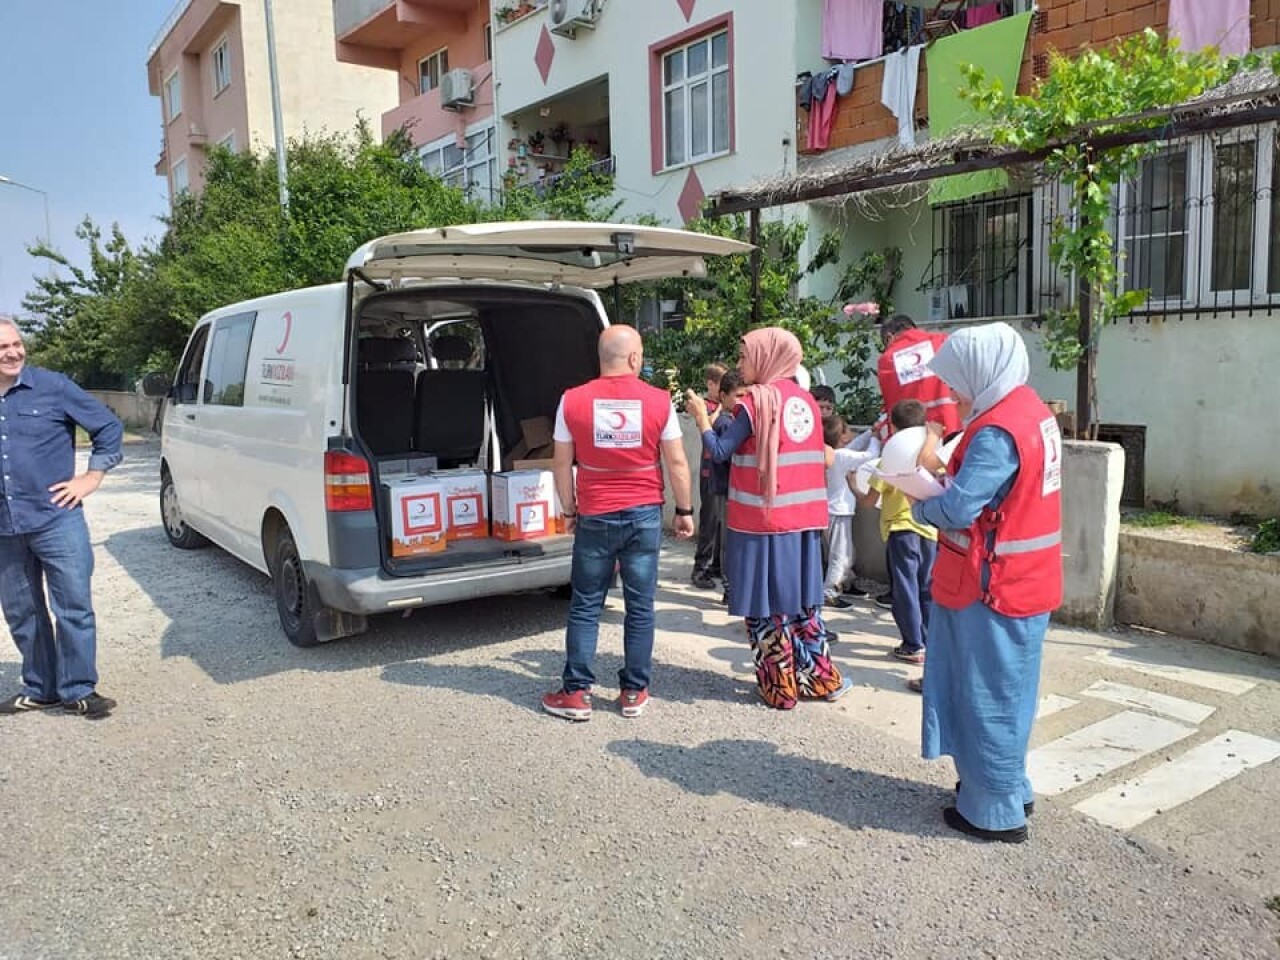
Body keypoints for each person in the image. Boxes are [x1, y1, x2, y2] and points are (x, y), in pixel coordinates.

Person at [911, 322, 1064, 844]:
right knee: (1011, 692)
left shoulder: (997, 431)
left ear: (982, 372)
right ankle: (1008, 786)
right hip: (1024, 579)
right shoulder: (1033, 412)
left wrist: (920, 502)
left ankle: (993, 811)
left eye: (957, 381)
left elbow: (959, 506)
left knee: (987, 693)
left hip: (992, 585)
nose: (953, 392)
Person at [688, 328, 850, 710]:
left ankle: (780, 689)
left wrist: (701, 419)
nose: (741, 364)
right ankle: (822, 679)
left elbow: (721, 450)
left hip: (761, 522)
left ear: (767, 356)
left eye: (745, 357)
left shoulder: (757, 402)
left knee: (765, 607)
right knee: (801, 605)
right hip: (805, 520)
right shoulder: (806, 401)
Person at [542, 325, 695, 722]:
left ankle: (576, 693)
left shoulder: (571, 400)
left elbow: (561, 463)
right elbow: (676, 462)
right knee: (640, 606)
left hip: (595, 515)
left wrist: (569, 509)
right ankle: (633, 692)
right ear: (633, 359)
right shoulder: (659, 401)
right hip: (644, 515)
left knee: (586, 603)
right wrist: (684, 510)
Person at [0, 318, 122, 718]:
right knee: (23, 611)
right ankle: (41, 688)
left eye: (17, 344)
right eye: (3, 347)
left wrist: (90, 477)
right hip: (5, 527)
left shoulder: (52, 387)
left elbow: (107, 426)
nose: (13, 352)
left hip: (57, 519)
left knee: (72, 605)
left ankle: (78, 689)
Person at [854, 400, 937, 666]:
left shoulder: (888, 457)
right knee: (926, 588)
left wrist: (852, 485)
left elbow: (869, 500)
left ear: (893, 426)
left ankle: (913, 645)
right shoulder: (932, 455)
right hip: (929, 529)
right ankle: (929, 641)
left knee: (905, 589)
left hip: (901, 530)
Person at [873, 315, 960, 443]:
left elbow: (892, 407)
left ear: (889, 337)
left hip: (912, 436)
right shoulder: (942, 340)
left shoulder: (887, 359)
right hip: (953, 426)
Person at [691, 361, 729, 589]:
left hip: (723, 472)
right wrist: (720, 408)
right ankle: (700, 569)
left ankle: (715, 564)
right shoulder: (704, 406)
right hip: (708, 471)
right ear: (711, 384)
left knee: (721, 523)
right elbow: (706, 425)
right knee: (709, 521)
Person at [821, 414, 862, 609]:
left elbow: (854, 447)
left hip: (831, 510)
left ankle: (845, 582)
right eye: (848, 431)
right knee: (840, 555)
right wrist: (877, 438)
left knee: (846, 552)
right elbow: (868, 454)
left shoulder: (832, 453)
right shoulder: (842, 456)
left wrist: (871, 432)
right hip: (838, 511)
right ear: (843, 437)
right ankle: (830, 591)